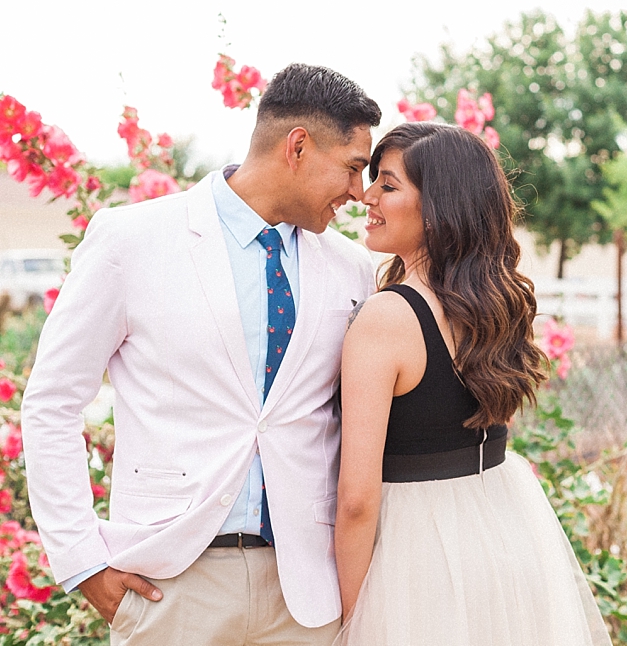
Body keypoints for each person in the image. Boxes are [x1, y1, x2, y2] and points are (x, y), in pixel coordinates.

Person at [20, 63, 381, 645]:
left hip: (306, 595)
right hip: (171, 587)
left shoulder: (352, 267)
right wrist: (82, 559)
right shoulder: (130, 240)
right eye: (353, 167)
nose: (359, 193)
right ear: (298, 146)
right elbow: (52, 403)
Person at [333, 122, 612, 645]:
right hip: (504, 536)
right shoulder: (495, 306)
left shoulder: (386, 319)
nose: (365, 196)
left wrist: (352, 623)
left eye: (387, 185)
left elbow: (356, 500)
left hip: (415, 558)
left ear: (438, 208)